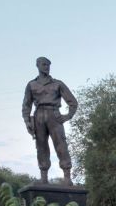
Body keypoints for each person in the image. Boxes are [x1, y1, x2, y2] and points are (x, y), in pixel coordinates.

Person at [22, 57, 78, 185]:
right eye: (44, 64)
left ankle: (67, 177)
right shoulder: (31, 85)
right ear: (37, 66)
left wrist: (67, 116)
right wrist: (27, 121)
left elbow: (73, 103)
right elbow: (26, 105)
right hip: (38, 116)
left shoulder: (57, 84)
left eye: (48, 65)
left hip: (54, 114)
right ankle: (44, 177)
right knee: (41, 146)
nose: (46, 67)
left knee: (61, 144)